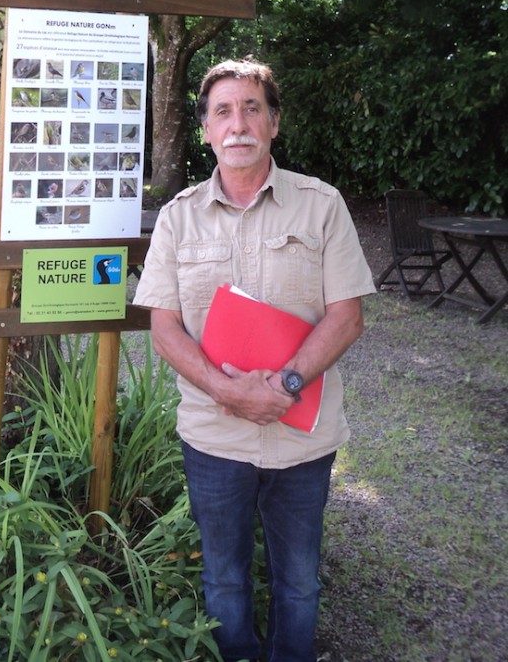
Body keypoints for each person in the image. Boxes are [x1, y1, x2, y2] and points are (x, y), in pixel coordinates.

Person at [133, 57, 375, 662]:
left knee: (298, 582)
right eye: (222, 112)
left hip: (302, 440)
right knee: (224, 580)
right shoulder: (178, 216)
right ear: (206, 131)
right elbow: (164, 327)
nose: (237, 123)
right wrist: (229, 392)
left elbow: (347, 315)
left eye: (251, 109)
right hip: (214, 438)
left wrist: (286, 384)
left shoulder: (322, 206)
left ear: (273, 123)